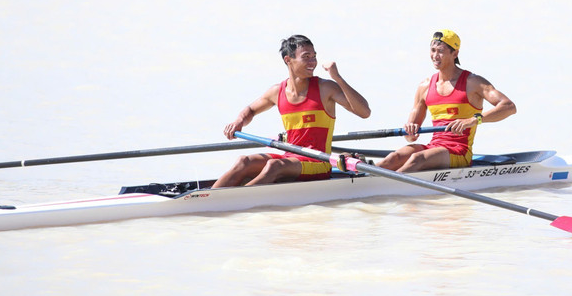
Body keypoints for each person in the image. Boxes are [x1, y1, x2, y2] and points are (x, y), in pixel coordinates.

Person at [212, 35, 371, 188]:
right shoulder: (277, 92)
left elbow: (364, 112)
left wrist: (338, 78)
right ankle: (206, 197)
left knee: (274, 166)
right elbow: (250, 110)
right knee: (243, 162)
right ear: (288, 60)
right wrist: (238, 121)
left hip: (318, 162)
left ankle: (236, 201)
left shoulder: (325, 88)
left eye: (314, 56)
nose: (313, 62)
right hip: (290, 157)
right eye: (306, 57)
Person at [376, 30, 516, 173]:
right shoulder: (424, 86)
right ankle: (366, 181)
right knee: (393, 158)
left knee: (417, 159)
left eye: (441, 51)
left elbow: (509, 107)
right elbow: (410, 137)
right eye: (433, 50)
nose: (435, 56)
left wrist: (474, 120)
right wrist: (410, 131)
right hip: (434, 146)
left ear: (455, 54)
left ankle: (384, 190)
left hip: (459, 151)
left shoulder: (473, 83)